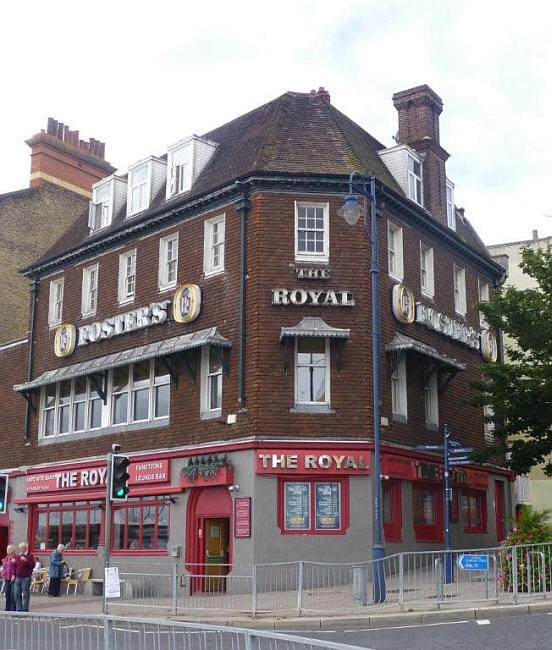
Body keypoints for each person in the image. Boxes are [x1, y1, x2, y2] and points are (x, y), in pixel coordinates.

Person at [14, 542, 35, 612]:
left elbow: (32, 566)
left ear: (26, 548)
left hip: (26, 577)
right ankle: (18, 609)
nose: (21, 549)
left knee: (25, 594)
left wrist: (26, 561)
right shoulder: (18, 556)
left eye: (22, 548)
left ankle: (25, 609)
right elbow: (15, 567)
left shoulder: (30, 556)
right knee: (16, 593)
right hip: (18, 577)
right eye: (20, 548)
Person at [2, 545, 16, 611]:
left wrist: (14, 574)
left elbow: (16, 567)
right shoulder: (6, 558)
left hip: (13, 578)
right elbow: (4, 567)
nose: (7, 550)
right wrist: (3, 574)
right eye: (7, 549)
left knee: (12, 594)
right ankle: (7, 609)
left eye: (8, 549)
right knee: (7, 593)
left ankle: (13, 609)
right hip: (6, 577)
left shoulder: (15, 557)